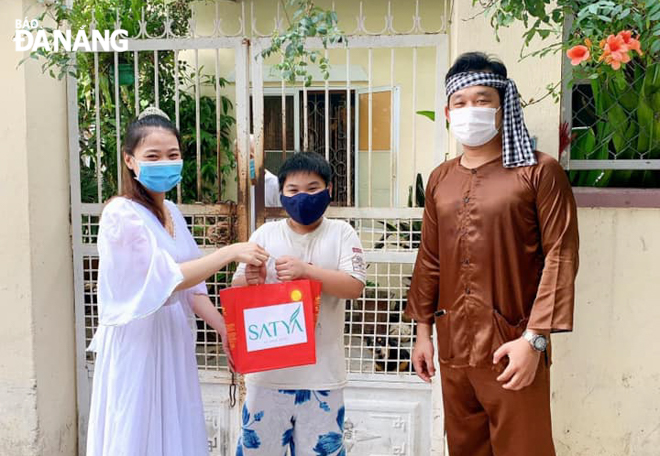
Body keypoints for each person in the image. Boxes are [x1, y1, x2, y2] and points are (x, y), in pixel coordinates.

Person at [406, 52, 579, 456]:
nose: (471, 110)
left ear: (503, 107)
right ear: (448, 113)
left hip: (513, 345)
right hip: (452, 350)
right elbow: (429, 257)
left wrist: (534, 340)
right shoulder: (440, 179)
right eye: (461, 103)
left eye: (482, 100)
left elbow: (561, 255)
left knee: (525, 450)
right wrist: (422, 334)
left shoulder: (538, 172)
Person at [86, 107, 269, 456]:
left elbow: (192, 288)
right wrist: (229, 253)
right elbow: (167, 282)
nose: (165, 162)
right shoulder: (121, 214)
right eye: (152, 156)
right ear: (129, 160)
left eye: (172, 155)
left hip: (172, 336)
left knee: (175, 424)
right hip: (137, 340)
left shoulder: (173, 214)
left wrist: (224, 329)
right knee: (137, 425)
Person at [232, 152, 366, 455]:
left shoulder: (342, 233)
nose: (302, 197)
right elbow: (237, 288)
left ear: (329, 190)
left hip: (322, 378)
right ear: (281, 194)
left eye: (312, 188)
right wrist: (251, 279)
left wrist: (307, 272)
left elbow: (354, 285)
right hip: (266, 377)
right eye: (293, 190)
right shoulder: (266, 234)